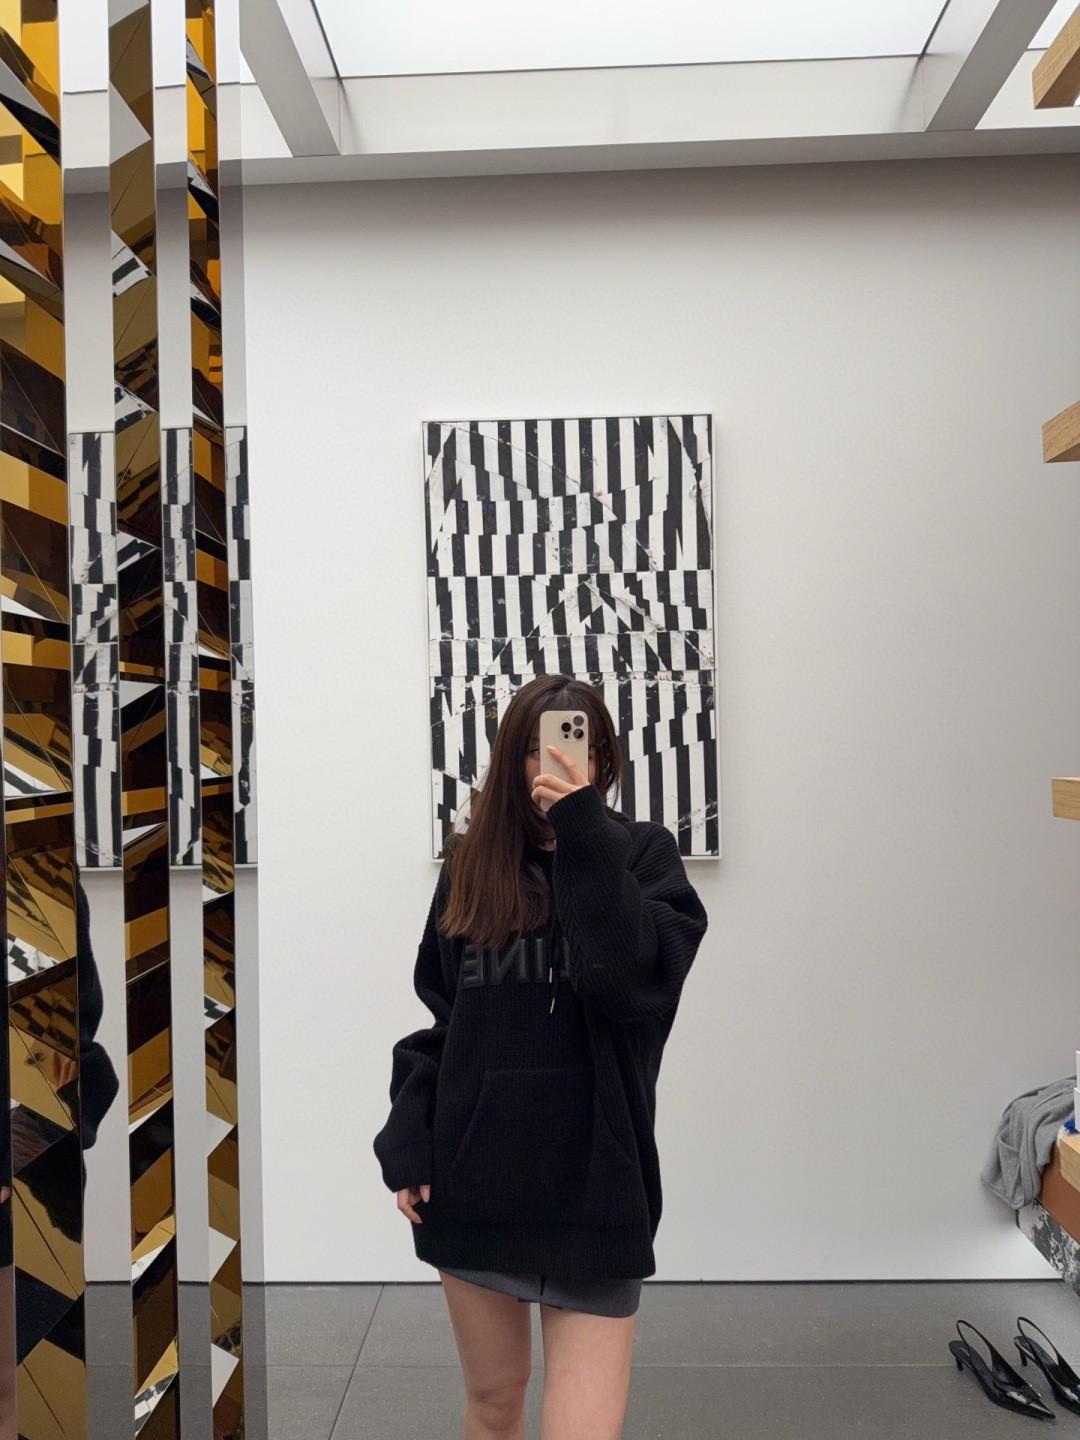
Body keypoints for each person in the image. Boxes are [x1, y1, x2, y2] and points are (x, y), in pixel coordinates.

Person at [375, 672, 709, 1437]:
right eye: (530, 747)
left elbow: (627, 983)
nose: (548, 762)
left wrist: (583, 832)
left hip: (597, 1188)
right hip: (476, 1179)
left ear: (602, 756)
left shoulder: (644, 857)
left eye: (567, 742)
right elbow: (446, 1020)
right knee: (493, 1409)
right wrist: (410, 1137)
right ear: (507, 759)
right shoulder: (472, 867)